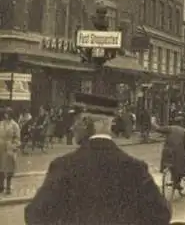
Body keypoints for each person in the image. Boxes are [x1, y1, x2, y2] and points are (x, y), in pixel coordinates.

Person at [25, 93, 171, 225]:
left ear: (87, 122)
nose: (72, 128)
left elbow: (35, 215)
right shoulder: (135, 168)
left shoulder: (64, 166)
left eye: (76, 121)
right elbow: (161, 214)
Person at [156, 115, 185, 191]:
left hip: (167, 151)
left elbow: (158, 129)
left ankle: (171, 178)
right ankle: (177, 183)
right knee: (181, 166)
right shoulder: (184, 131)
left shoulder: (169, 128)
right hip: (178, 153)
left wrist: (154, 124)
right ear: (182, 123)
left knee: (169, 164)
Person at [0, 107, 21, 195]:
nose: (6, 115)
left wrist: (13, 146)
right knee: (0, 168)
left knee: (9, 169)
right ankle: (1, 186)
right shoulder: (1, 123)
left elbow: (17, 138)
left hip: (9, 148)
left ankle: (8, 187)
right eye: (5, 113)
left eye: (8, 113)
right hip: (0, 147)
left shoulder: (15, 125)